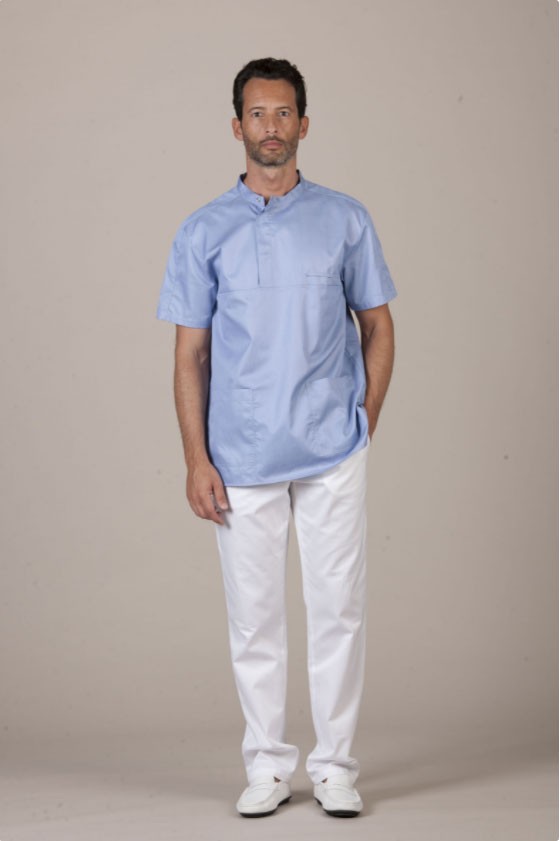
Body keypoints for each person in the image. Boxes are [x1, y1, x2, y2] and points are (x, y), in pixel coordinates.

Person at [157, 57, 397, 819]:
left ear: (304, 123)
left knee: (339, 610)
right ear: (237, 126)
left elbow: (378, 325)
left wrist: (364, 416)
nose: (271, 126)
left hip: (332, 449)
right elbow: (190, 355)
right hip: (241, 454)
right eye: (258, 113)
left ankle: (335, 766)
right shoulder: (203, 230)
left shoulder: (345, 219)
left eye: (284, 112)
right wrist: (196, 459)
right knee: (254, 619)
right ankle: (266, 764)